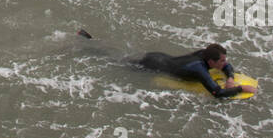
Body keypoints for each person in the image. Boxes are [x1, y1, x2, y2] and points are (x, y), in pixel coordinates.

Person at [77, 30, 255, 98]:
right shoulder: (199, 68)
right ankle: (87, 45)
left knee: (120, 56)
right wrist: (240, 89)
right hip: (151, 64)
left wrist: (230, 77)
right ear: (211, 61)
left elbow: (226, 67)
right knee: (114, 61)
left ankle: (91, 41)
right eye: (222, 61)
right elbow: (217, 93)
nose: (225, 63)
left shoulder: (205, 54)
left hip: (160, 57)